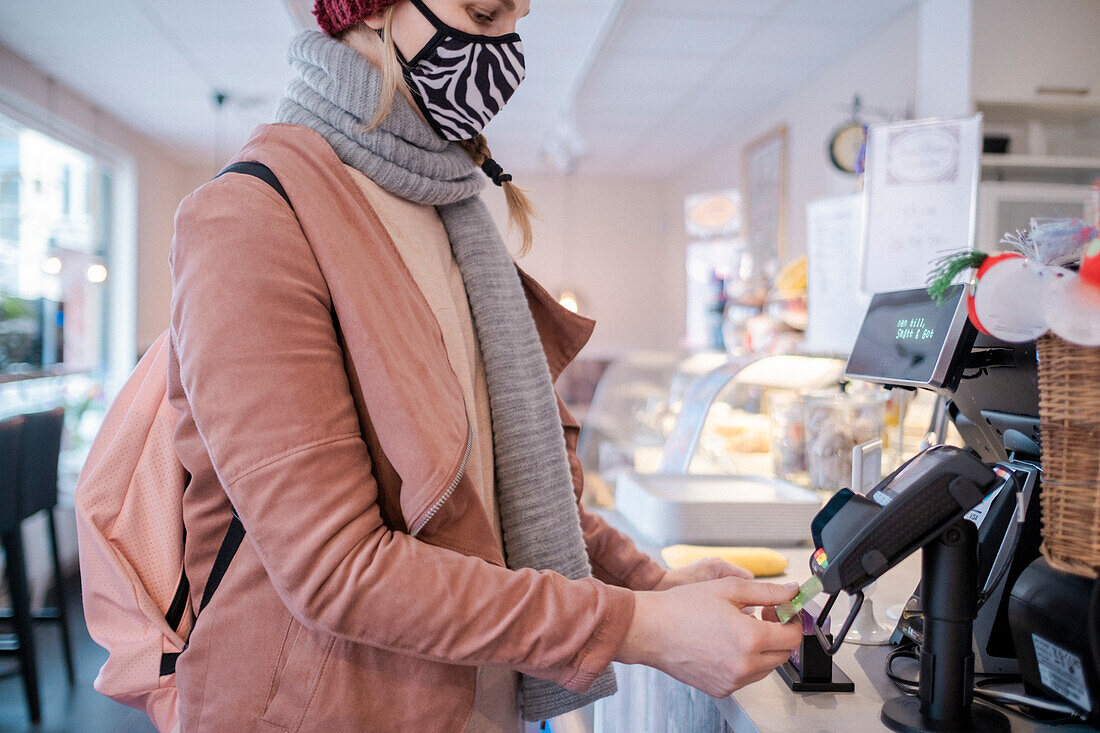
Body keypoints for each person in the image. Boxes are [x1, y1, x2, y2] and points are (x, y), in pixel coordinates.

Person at [166, 0, 803, 730]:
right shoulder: (249, 217)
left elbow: (499, 493)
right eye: (484, 13)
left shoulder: (449, 209)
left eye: (515, 20)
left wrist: (654, 584)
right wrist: (639, 625)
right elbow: (337, 570)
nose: (506, 49)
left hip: (476, 704)